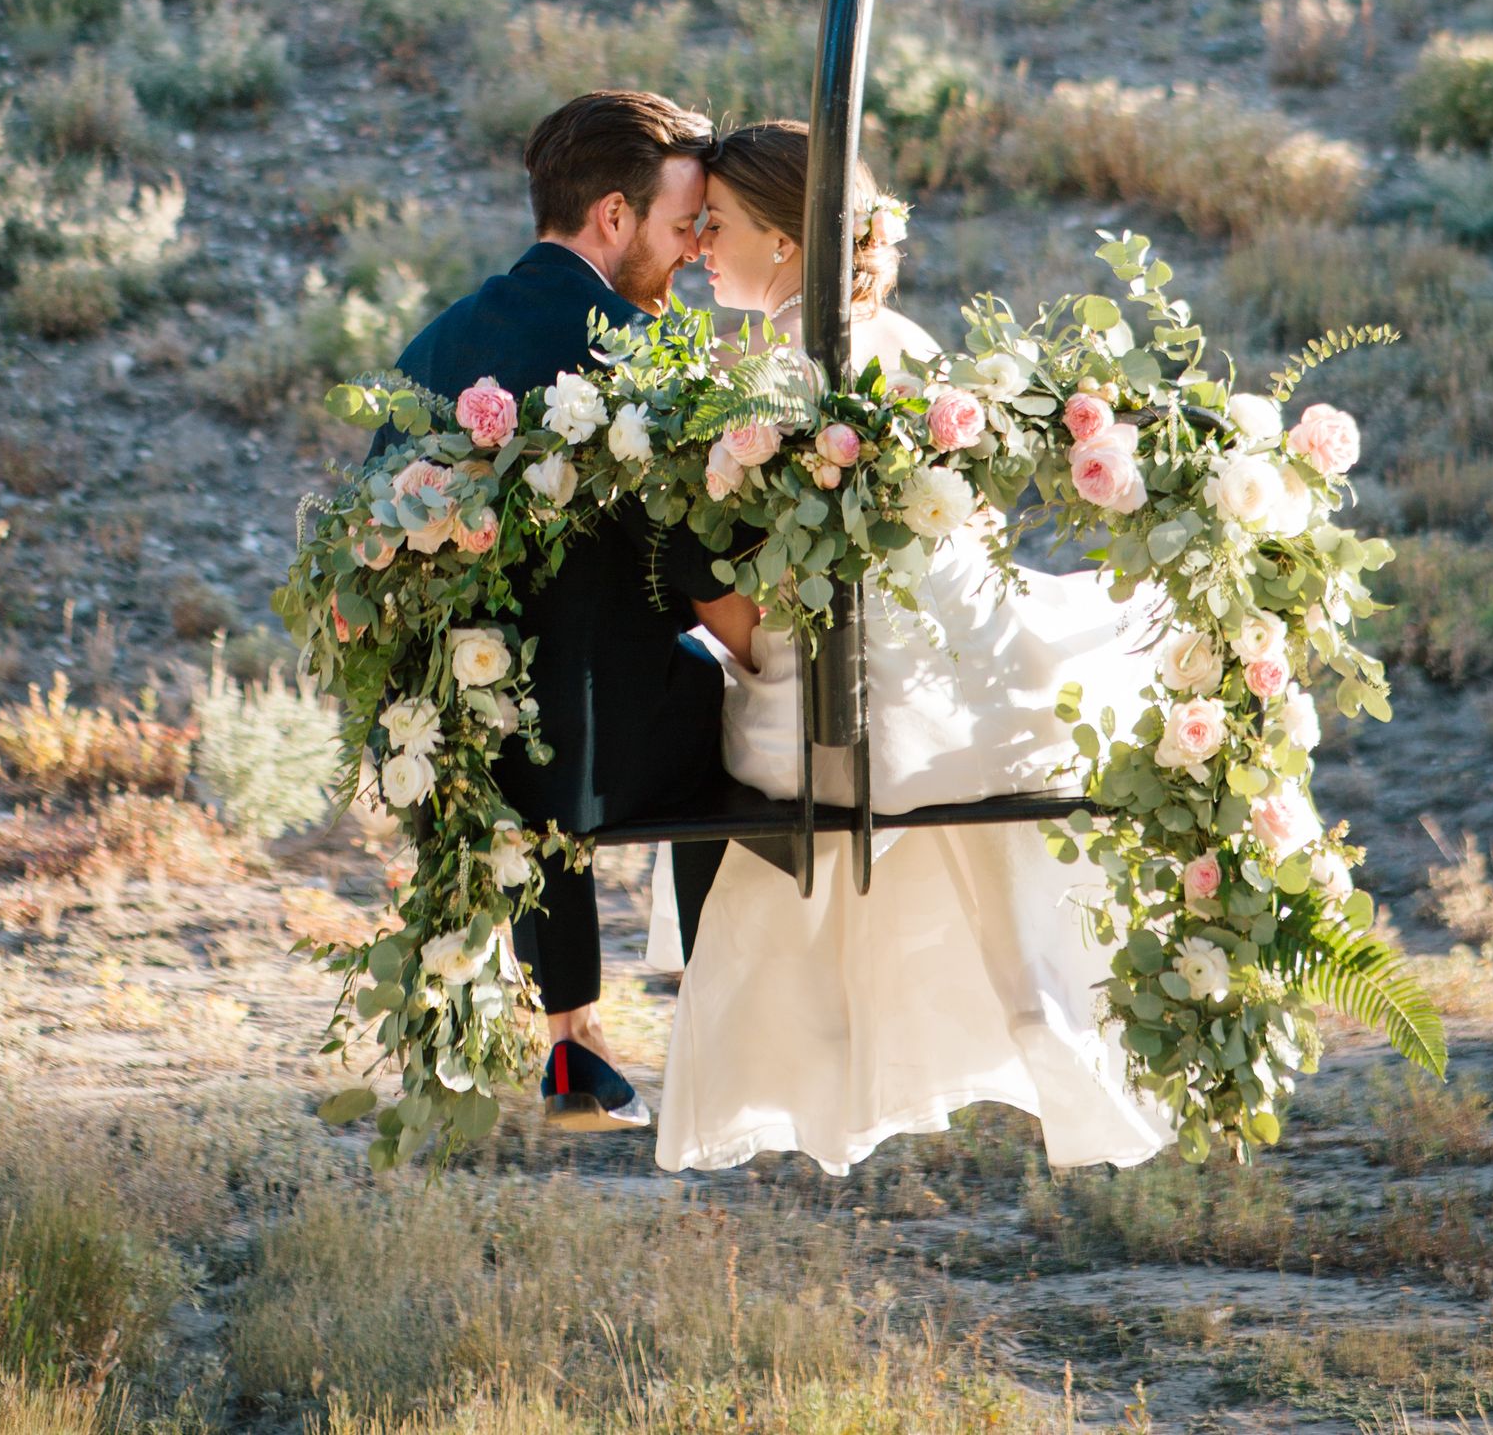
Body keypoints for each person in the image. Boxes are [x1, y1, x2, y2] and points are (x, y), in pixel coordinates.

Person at [651, 119, 1173, 1179]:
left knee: (696, 706)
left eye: (721, 226)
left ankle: (818, 1060)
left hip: (837, 721)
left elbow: (758, 582)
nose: (701, 247)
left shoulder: (776, 370)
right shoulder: (904, 345)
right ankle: (1038, 1030)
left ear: (786, 241)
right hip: (945, 695)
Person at [393, 88, 754, 1132]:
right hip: (605, 741)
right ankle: (719, 1027)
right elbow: (694, 553)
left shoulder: (438, 344)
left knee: (550, 679)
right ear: (612, 217)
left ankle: (572, 1036)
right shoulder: (629, 351)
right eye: (684, 225)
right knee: (720, 709)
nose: (691, 252)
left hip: (465, 742)